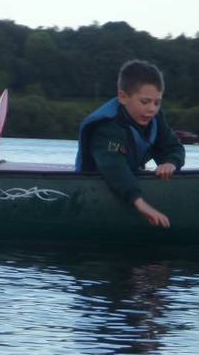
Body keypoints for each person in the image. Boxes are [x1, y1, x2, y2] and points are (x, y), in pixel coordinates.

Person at [75, 59, 185, 228]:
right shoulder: (106, 127)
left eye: (157, 102)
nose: (152, 109)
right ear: (123, 97)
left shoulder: (155, 119)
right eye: (145, 101)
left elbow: (174, 147)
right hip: (94, 189)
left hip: (130, 188)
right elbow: (114, 167)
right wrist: (140, 204)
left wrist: (171, 162)